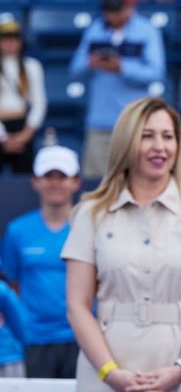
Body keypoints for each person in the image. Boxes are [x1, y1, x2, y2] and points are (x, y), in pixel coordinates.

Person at [62, 98, 181, 391]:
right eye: (147, 135)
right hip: (107, 372)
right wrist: (109, 372)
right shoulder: (90, 212)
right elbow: (77, 305)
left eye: (168, 137)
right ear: (126, 142)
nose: (160, 146)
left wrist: (180, 370)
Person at [69, 0, 166, 179]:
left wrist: (122, 68)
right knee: (95, 184)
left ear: (131, 6)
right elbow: (75, 69)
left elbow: (156, 73)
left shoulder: (147, 31)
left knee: (137, 181)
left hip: (135, 122)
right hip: (100, 122)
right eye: (108, 10)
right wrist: (91, 63)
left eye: (117, 9)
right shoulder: (95, 30)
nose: (112, 15)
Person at [1, 145, 81, 378]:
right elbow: (13, 285)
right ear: (35, 181)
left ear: (75, 182)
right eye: (48, 176)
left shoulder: (91, 229)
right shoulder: (17, 231)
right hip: (34, 339)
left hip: (82, 339)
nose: (55, 183)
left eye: (62, 176)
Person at [0, 18, 46, 174]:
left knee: (25, 178)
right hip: (1, 127)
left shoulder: (32, 67)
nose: (9, 43)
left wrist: (25, 135)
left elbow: (39, 104)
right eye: (5, 39)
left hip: (23, 128)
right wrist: (3, 137)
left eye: (13, 39)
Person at [0, 272, 26, 377]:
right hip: (9, 355)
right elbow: (20, 325)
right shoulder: (3, 289)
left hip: (7, 356)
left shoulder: (3, 290)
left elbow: (19, 324)